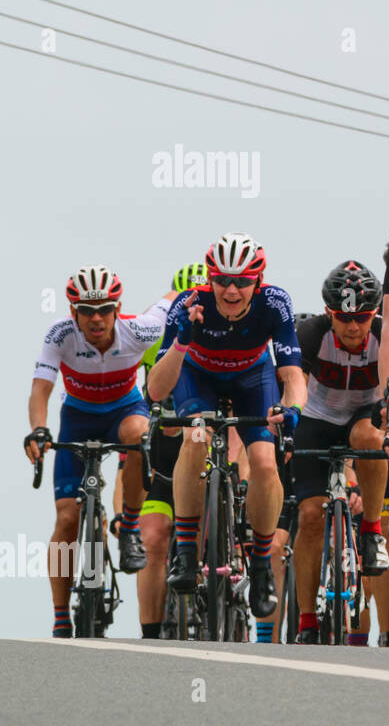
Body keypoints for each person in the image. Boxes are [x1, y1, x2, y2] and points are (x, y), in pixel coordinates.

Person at [147, 233, 305, 618]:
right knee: (196, 436)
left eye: (243, 281)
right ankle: (186, 552)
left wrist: (293, 409)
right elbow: (156, 390)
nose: (232, 290)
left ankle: (263, 562)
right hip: (198, 376)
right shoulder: (190, 304)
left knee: (266, 463)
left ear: (259, 281)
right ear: (210, 277)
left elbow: (292, 374)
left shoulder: (276, 303)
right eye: (222, 280)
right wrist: (182, 340)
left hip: (253, 378)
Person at [24, 266, 172, 636]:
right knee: (66, 520)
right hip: (78, 416)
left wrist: (195, 292)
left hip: (124, 410)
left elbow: (170, 303)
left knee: (138, 433)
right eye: (86, 310)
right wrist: (39, 431)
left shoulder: (137, 330)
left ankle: (131, 529)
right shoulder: (60, 335)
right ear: (72, 311)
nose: (96, 318)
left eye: (104, 309)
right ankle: (61, 615)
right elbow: (41, 388)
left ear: (117, 308)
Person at [290, 260, 389, 643]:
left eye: (362, 318)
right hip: (317, 418)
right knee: (311, 516)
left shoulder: (383, 334)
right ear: (329, 313)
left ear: (375, 313)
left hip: (365, 412)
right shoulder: (311, 333)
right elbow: (290, 377)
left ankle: (371, 532)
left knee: (369, 437)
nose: (353, 327)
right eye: (343, 318)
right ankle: (307, 622)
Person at [135, 261, 207, 638]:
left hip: (205, 466)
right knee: (152, 537)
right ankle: (149, 637)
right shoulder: (157, 334)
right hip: (162, 470)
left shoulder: (219, 339)